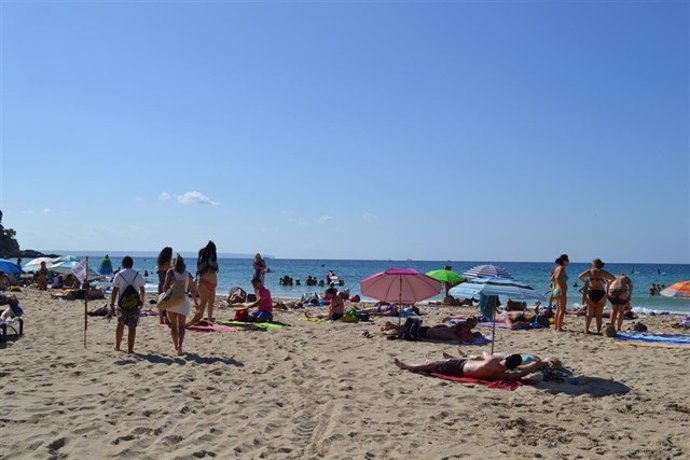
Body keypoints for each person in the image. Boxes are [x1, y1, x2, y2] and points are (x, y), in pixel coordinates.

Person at [394, 351, 552, 381]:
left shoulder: (492, 362)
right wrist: (535, 364)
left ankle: (407, 366)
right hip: (462, 367)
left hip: (459, 367)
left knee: (432, 366)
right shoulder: (502, 374)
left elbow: (484, 352)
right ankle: (426, 363)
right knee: (435, 364)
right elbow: (520, 374)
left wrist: (489, 353)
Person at [163, 254, 199, 355]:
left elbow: (165, 287)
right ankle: (180, 346)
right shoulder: (187, 274)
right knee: (182, 326)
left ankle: (175, 346)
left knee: (173, 325)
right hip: (183, 299)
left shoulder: (170, 272)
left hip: (172, 299)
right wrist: (196, 302)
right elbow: (193, 290)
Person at [109, 256, 146, 354]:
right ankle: (130, 349)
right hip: (134, 304)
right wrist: (142, 301)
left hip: (122, 304)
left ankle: (117, 346)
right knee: (132, 327)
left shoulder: (119, 275)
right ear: (132, 264)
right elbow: (142, 289)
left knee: (120, 324)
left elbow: (114, 290)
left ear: (123, 264)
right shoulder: (137, 274)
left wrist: (112, 304)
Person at [578, 259, 616, 335]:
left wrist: (587, 281)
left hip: (591, 292)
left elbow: (580, 276)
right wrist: (606, 281)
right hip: (601, 293)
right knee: (599, 314)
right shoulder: (604, 272)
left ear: (593, 264)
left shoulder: (590, 271)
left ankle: (586, 330)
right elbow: (613, 278)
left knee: (589, 314)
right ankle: (598, 330)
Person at [193, 241, 219, 323]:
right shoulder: (202, 262)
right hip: (204, 283)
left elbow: (215, 268)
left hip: (212, 284)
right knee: (203, 302)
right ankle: (198, 318)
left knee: (211, 302)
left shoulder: (212, 260)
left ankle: (209, 318)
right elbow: (203, 269)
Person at [550, 254, 569, 332]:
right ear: (564, 261)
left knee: (558, 309)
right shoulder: (561, 268)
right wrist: (561, 287)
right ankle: (559, 328)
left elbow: (552, 279)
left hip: (556, 290)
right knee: (562, 310)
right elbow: (557, 278)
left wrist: (556, 287)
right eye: (568, 260)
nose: (568, 262)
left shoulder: (557, 268)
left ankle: (556, 327)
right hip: (560, 290)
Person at [156, 247, 173, 325]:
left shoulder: (159, 263)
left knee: (161, 302)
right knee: (167, 303)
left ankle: (161, 319)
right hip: (166, 285)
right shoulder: (167, 264)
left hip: (160, 284)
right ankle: (166, 319)